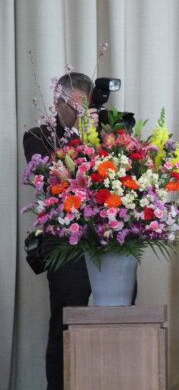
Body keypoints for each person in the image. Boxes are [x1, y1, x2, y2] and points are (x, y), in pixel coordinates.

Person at [23, 72, 96, 390]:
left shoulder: (103, 135)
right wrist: (79, 137)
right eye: (74, 107)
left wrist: (96, 138)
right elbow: (49, 176)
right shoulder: (37, 135)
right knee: (65, 323)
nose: (80, 114)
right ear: (57, 102)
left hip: (106, 241)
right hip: (64, 244)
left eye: (85, 108)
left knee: (114, 320)